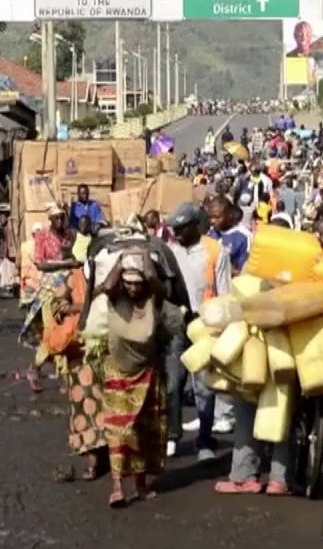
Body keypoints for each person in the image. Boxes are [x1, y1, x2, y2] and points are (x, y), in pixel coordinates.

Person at [98, 250, 182, 508]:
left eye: (138, 283)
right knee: (118, 430)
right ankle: (116, 486)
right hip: (118, 372)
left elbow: (155, 282)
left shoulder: (153, 299)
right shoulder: (116, 297)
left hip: (147, 372)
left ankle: (141, 485)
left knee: (145, 430)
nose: (133, 288)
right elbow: (108, 285)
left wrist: (144, 257)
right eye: (128, 283)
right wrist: (121, 259)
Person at [166, 202, 232, 461]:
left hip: (205, 325)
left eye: (182, 228)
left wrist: (220, 326)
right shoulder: (171, 252)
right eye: (174, 229)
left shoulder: (216, 251)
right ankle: (172, 435)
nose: (177, 234)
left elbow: (224, 293)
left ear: (195, 226)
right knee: (173, 383)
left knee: (204, 387)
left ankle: (205, 440)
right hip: (177, 324)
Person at [20, 204, 76, 393]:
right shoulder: (43, 235)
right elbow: (40, 264)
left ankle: (56, 374)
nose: (60, 221)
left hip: (67, 286)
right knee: (53, 330)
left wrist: (71, 263)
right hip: (49, 289)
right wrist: (63, 264)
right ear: (50, 220)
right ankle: (44, 371)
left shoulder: (68, 236)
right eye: (56, 218)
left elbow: (71, 256)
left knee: (68, 330)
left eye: (62, 217)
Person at [206, 195, 250, 276]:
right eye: (210, 217)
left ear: (228, 214)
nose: (212, 221)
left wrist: (223, 267)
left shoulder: (243, 237)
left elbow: (242, 272)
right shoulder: (211, 231)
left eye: (217, 217)